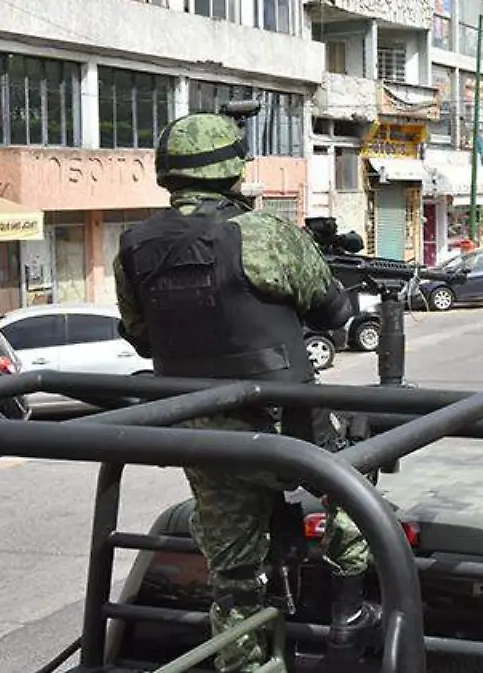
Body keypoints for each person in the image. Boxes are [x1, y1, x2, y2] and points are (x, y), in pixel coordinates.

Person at [113, 105, 379, 672]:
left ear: (169, 174)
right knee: (358, 483)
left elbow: (139, 336)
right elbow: (334, 311)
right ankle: (348, 612)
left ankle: (248, 663)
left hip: (207, 439)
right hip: (290, 430)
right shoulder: (263, 233)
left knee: (232, 577)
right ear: (233, 172)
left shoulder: (135, 245)